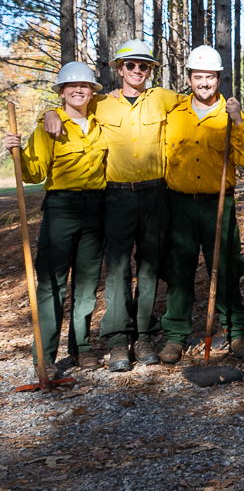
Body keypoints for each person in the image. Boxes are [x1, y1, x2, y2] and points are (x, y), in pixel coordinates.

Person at [45, 39, 186, 371]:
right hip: (117, 196)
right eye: (131, 65)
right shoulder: (100, 103)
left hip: (155, 194)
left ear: (151, 70)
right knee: (119, 269)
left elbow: (202, 102)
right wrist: (49, 110)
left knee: (150, 266)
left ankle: (144, 335)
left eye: (144, 66)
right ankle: (118, 339)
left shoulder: (163, 98)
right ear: (119, 69)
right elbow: (69, 109)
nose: (137, 71)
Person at [5, 63, 107, 375]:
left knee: (88, 283)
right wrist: (17, 152)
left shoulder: (100, 120)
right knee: (52, 283)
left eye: (85, 86)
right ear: (61, 91)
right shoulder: (48, 127)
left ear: (92, 92)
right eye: (71, 85)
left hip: (97, 206)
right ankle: (45, 358)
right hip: (62, 207)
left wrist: (47, 111)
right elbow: (34, 174)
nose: (79, 90)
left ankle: (82, 349)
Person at [159, 45, 244, 363]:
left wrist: (238, 120)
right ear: (189, 78)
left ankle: (236, 332)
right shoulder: (172, 115)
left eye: (210, 77)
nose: (204, 83)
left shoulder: (229, 114)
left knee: (226, 267)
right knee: (179, 270)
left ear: (219, 79)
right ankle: (175, 336)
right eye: (198, 76)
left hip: (218, 204)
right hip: (180, 204)